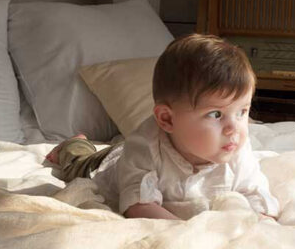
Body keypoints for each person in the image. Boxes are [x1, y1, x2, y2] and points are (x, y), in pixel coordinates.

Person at [45, 34, 279, 220]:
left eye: (242, 112)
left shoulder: (236, 146)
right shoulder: (145, 147)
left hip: (135, 149)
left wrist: (259, 222)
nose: (234, 128)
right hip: (110, 164)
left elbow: (255, 194)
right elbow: (138, 207)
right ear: (167, 119)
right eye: (216, 114)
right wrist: (187, 232)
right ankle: (74, 143)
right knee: (78, 165)